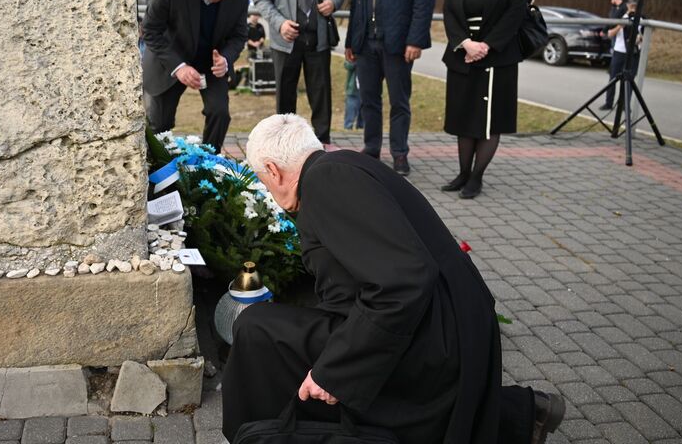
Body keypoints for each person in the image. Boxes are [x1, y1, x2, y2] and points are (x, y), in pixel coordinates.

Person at [222, 114, 566, 444]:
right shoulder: (340, 166)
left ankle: (266, 436)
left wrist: (336, 371)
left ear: (272, 170)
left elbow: (402, 282)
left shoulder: (327, 182)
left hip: (438, 337)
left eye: (264, 182)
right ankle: (517, 414)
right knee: (274, 329)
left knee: (257, 332)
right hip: (445, 320)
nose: (269, 192)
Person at [345, 0, 435, 175]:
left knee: (399, 101)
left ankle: (399, 154)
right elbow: (357, 2)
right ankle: (372, 149)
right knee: (368, 100)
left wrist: (416, 39)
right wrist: (351, 40)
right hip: (366, 43)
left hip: (398, 43)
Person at [441, 0, 527, 199]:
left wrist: (486, 45)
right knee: (463, 117)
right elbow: (450, 12)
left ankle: (477, 177)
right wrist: (465, 43)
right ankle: (463, 173)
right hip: (462, 55)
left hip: (496, 57)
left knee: (488, 121)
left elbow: (516, 12)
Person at [141, 0, 250, 153]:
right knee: (159, 122)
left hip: (212, 60)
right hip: (170, 57)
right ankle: (159, 169)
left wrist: (226, 59)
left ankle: (209, 162)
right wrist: (179, 67)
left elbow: (239, 35)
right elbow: (150, 29)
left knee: (219, 112)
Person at [255, 0, 346, 148]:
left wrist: (333, 3)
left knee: (321, 94)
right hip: (286, 41)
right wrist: (279, 22)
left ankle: (323, 142)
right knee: (285, 96)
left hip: (318, 39)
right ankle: (285, 144)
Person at [600, 0, 641, 111]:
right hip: (619, 52)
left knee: (629, 80)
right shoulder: (620, 18)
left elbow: (643, 37)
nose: (633, 8)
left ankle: (624, 105)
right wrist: (620, 26)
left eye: (635, 6)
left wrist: (639, 37)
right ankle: (608, 103)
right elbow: (610, 34)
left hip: (632, 53)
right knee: (613, 78)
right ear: (627, 5)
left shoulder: (641, 19)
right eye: (631, 6)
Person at [342, 59, 363, 129]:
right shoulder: (353, 55)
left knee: (364, 109)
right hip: (353, 88)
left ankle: (361, 126)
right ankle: (348, 126)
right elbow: (347, 65)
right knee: (351, 108)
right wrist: (356, 61)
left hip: (366, 87)